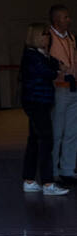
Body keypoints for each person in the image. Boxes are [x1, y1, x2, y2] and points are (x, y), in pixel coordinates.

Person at [20, 24, 67, 196]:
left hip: (41, 102)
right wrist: (57, 71)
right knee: (46, 140)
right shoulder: (32, 56)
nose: (47, 37)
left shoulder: (42, 55)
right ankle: (47, 182)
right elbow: (46, 72)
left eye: (48, 34)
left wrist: (58, 67)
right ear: (35, 37)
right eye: (44, 34)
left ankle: (29, 180)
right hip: (36, 102)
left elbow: (55, 65)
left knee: (34, 140)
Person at [48, 4, 77, 182]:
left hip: (73, 87)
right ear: (57, 19)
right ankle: (53, 171)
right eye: (66, 17)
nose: (69, 20)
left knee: (72, 132)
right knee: (57, 131)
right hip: (58, 88)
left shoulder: (71, 38)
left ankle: (68, 168)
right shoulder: (48, 38)